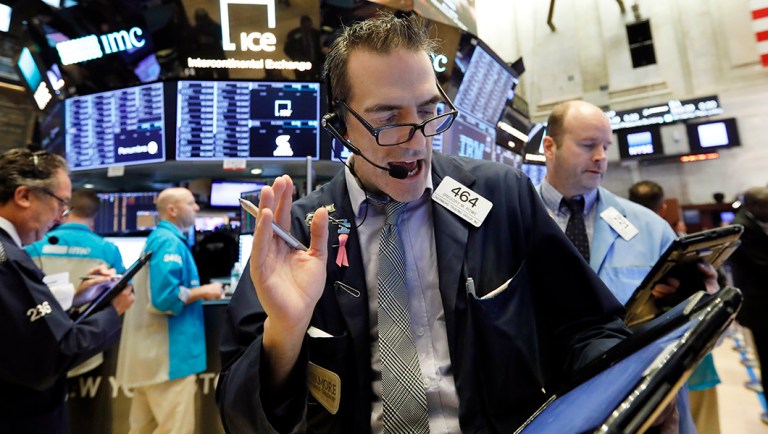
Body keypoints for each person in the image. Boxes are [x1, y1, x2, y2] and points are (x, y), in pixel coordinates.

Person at [217, 13, 630, 433]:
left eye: (428, 111)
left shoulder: (501, 197)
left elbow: (589, 327)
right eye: (388, 119)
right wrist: (285, 333)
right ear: (341, 126)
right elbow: (238, 415)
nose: (416, 140)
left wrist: (630, 390)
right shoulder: (300, 234)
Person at [539, 100, 720, 433]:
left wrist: (702, 299)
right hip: (554, 406)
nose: (601, 156)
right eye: (588, 145)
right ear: (550, 147)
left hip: (645, 405)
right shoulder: (519, 222)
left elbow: (697, 333)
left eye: (605, 146)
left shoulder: (649, 226)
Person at [0, 148, 134, 434]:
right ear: (23, 196)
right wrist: (113, 310)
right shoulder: (8, 260)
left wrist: (77, 296)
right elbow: (54, 352)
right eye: (60, 203)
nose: (61, 217)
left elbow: (18, 322)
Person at [116, 187, 223, 434]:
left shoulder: (159, 239)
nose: (197, 208)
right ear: (172, 210)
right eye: (191, 202)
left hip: (152, 357)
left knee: (142, 428)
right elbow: (165, 298)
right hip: (169, 360)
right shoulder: (170, 243)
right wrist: (204, 291)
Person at [629, 180, 722, 434]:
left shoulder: (625, 244)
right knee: (703, 421)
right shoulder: (680, 243)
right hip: (686, 348)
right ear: (664, 207)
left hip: (644, 358)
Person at [25, 189, 127, 376]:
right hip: (88, 349)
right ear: (95, 214)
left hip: (41, 344)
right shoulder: (108, 249)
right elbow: (122, 292)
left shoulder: (35, 244)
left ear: (65, 209)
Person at [729, 186, 768, 425]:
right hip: (760, 308)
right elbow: (764, 266)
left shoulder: (753, 222)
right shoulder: (743, 227)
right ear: (754, 206)